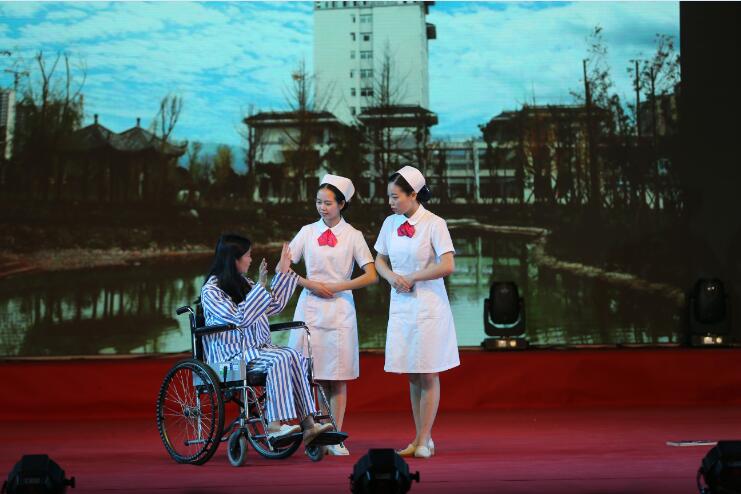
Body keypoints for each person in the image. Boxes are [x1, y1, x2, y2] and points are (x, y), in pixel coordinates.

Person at [200, 233, 333, 445]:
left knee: (293, 355)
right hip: (230, 357)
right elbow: (240, 318)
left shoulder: (244, 283)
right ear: (234, 259)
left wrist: (282, 272)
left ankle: (309, 425)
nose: (250, 259)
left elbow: (273, 306)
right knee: (279, 358)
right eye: (247, 255)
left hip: (256, 351)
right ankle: (274, 427)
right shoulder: (211, 291)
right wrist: (260, 286)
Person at [373, 166, 460, 459]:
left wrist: (413, 276)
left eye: (395, 196)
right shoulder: (390, 223)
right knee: (412, 372)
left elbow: (447, 265)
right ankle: (421, 437)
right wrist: (390, 277)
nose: (390, 202)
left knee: (428, 371)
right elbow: (379, 259)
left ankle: (423, 439)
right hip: (402, 305)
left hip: (428, 305)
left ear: (413, 194)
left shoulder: (435, 223)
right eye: (389, 196)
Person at [288, 174, 378, 456]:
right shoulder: (307, 232)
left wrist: (340, 286)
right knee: (312, 374)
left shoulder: (353, 235)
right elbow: (284, 267)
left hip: (339, 309)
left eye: (328, 203)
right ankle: (316, 432)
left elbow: (371, 275)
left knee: (336, 377)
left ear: (342, 204)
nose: (322, 207)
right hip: (310, 307)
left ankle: (335, 437)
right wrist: (309, 283)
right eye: (318, 202)